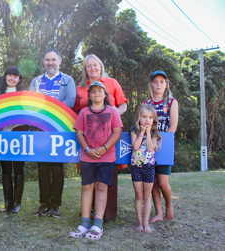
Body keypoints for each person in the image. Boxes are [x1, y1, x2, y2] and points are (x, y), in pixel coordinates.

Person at [73, 54, 128, 219]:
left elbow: (123, 104)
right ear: (85, 69)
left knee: (106, 180)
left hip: (109, 139)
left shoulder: (112, 83)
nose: (92, 68)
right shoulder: (80, 88)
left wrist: (112, 115)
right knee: (89, 183)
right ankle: (88, 213)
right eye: (88, 66)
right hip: (88, 142)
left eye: (95, 65)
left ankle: (106, 214)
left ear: (100, 66)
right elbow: (76, 110)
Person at [69, 81, 122, 240]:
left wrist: (104, 148)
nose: (96, 93)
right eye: (93, 91)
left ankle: (97, 225)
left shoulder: (113, 111)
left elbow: (117, 132)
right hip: (87, 157)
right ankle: (85, 223)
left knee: (101, 187)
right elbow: (79, 134)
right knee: (87, 188)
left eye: (100, 91)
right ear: (89, 96)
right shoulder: (84, 112)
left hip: (107, 157)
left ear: (105, 95)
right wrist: (87, 150)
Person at [29, 48, 76, 217]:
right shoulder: (36, 81)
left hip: (59, 130)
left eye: (53, 59)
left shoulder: (67, 80)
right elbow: (31, 103)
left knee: (57, 168)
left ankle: (55, 205)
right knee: (42, 169)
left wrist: (50, 112)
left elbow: (70, 101)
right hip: (40, 130)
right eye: (47, 60)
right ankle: (44, 204)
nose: (50, 62)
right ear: (43, 62)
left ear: (60, 61)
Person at [144, 70, 178, 222]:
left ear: (166, 85)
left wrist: (160, 142)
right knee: (153, 182)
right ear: (151, 84)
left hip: (164, 146)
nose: (158, 84)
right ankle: (158, 213)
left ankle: (169, 205)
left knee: (163, 182)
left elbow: (173, 127)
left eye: (161, 82)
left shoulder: (171, 102)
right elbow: (143, 125)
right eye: (155, 81)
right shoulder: (146, 104)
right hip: (149, 147)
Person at [0, 66, 27, 213]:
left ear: (19, 79)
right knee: (6, 169)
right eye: (10, 75)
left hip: (19, 133)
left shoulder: (25, 94)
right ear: (5, 77)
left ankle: (17, 203)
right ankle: (8, 203)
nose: (12, 78)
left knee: (19, 167)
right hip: (3, 135)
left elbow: (29, 114)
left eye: (15, 76)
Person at [130, 104, 161, 233]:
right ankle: (139, 222)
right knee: (138, 195)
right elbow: (136, 146)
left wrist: (148, 133)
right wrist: (142, 132)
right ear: (139, 118)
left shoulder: (155, 133)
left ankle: (146, 222)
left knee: (147, 196)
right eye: (144, 117)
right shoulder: (134, 130)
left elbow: (150, 148)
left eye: (150, 117)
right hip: (136, 167)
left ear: (153, 119)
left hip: (149, 168)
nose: (147, 120)